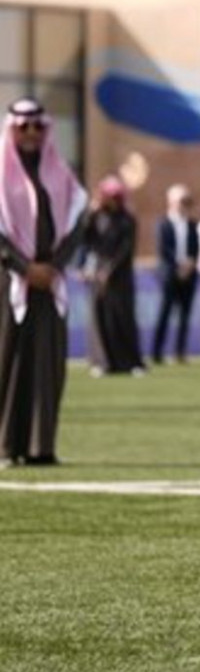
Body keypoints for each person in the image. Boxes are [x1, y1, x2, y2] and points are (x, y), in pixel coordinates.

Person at [0, 99, 88, 467]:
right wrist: (24, 268)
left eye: (37, 126)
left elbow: (77, 221)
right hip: (8, 282)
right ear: (12, 129)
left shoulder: (60, 173)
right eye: (24, 127)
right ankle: (6, 445)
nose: (31, 134)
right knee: (7, 360)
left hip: (50, 282)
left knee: (47, 363)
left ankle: (40, 446)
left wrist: (53, 267)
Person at [81, 175, 146, 376]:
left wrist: (109, 271)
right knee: (99, 317)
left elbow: (126, 249)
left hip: (120, 276)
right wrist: (89, 214)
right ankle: (101, 362)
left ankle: (130, 362)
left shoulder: (127, 219)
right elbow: (84, 240)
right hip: (97, 275)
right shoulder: (96, 217)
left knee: (122, 318)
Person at [152, 184, 200, 363]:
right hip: (170, 275)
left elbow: (196, 248)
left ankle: (180, 352)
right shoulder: (163, 223)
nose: (185, 205)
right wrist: (178, 266)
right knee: (165, 313)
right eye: (182, 201)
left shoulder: (192, 225)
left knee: (185, 315)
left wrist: (190, 264)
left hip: (189, 275)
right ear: (171, 202)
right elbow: (163, 249)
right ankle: (157, 352)